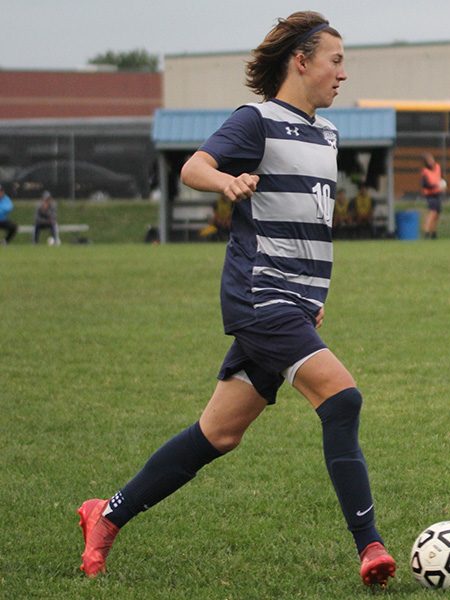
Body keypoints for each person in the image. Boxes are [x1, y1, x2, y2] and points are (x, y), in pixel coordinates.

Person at [76, 12, 397, 589]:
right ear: (302, 60)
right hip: (259, 297)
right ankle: (370, 546)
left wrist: (310, 298)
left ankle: (107, 514)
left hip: (291, 303)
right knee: (342, 400)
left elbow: (305, 225)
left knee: (218, 434)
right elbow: (195, 166)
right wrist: (227, 182)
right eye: (336, 60)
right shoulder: (257, 121)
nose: (343, 73)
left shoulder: (326, 134)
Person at [421, 153, 443, 239]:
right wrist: (436, 186)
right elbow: (426, 184)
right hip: (430, 195)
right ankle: (426, 232)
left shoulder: (437, 167)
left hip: (437, 193)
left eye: (432, 159)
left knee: (437, 214)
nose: (431, 162)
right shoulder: (425, 172)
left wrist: (443, 184)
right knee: (432, 212)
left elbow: (441, 177)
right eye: (429, 161)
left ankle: (434, 232)